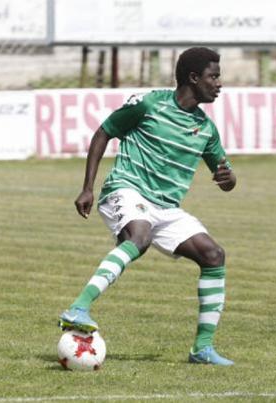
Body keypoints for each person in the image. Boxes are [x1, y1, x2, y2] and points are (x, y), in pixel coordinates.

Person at [59, 47, 237, 366]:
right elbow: (104, 133)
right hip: (128, 189)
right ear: (194, 78)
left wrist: (228, 177)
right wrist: (87, 187)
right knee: (138, 237)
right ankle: (78, 308)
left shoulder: (206, 130)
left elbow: (224, 176)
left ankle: (202, 348)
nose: (219, 83)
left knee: (214, 255)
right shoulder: (149, 104)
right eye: (214, 76)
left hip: (166, 208)